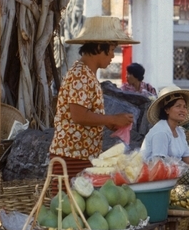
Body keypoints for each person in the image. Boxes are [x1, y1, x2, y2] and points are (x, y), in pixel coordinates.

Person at [50, 17, 136, 180]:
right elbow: (79, 115)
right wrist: (112, 118)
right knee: (68, 196)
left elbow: (85, 113)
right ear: (98, 47)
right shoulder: (80, 74)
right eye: (112, 49)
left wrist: (108, 122)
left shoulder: (87, 74)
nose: (112, 56)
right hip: (71, 155)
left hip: (82, 154)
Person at [141, 85, 189, 167]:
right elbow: (159, 163)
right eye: (178, 106)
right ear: (167, 110)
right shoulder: (161, 132)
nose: (183, 110)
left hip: (176, 171)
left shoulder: (180, 131)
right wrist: (188, 168)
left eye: (184, 107)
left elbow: (187, 158)